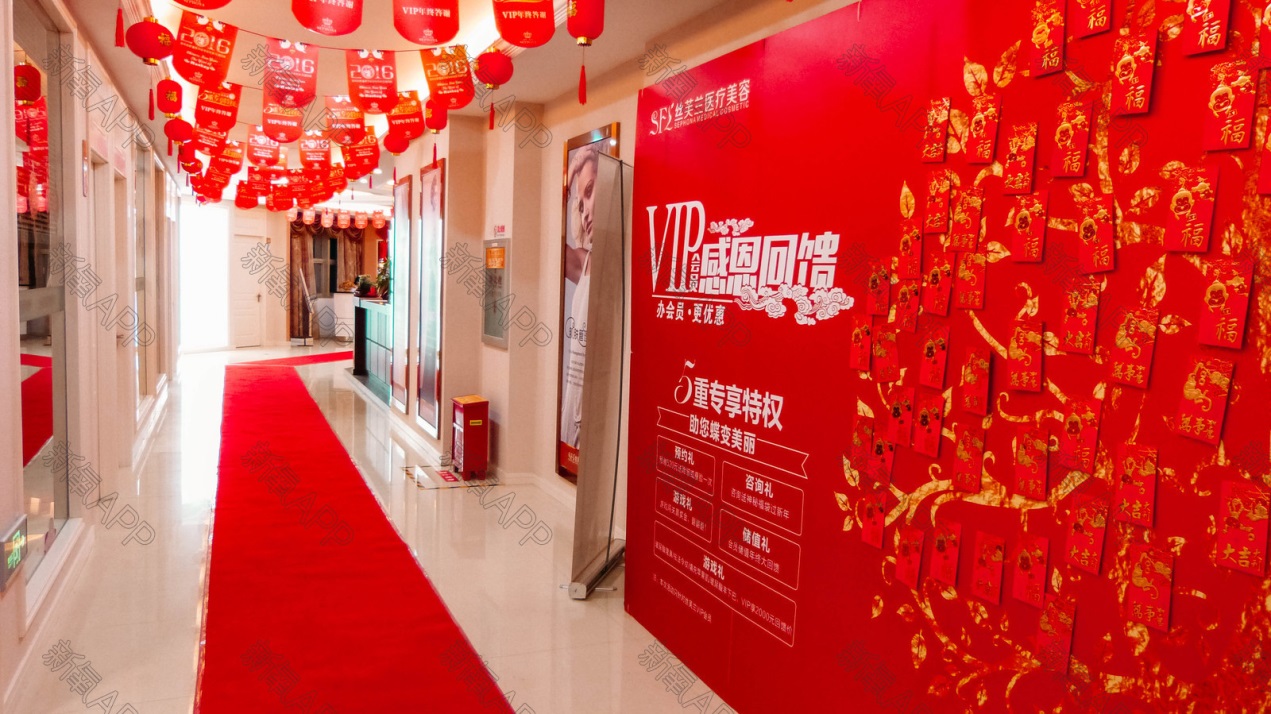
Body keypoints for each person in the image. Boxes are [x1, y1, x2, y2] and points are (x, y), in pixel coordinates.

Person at [560, 144, 601, 449]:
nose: (585, 211)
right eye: (580, 203)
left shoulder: (617, 263)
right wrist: (569, 176)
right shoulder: (585, 261)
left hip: (594, 408)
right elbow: (549, 243)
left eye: (589, 191)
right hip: (572, 400)